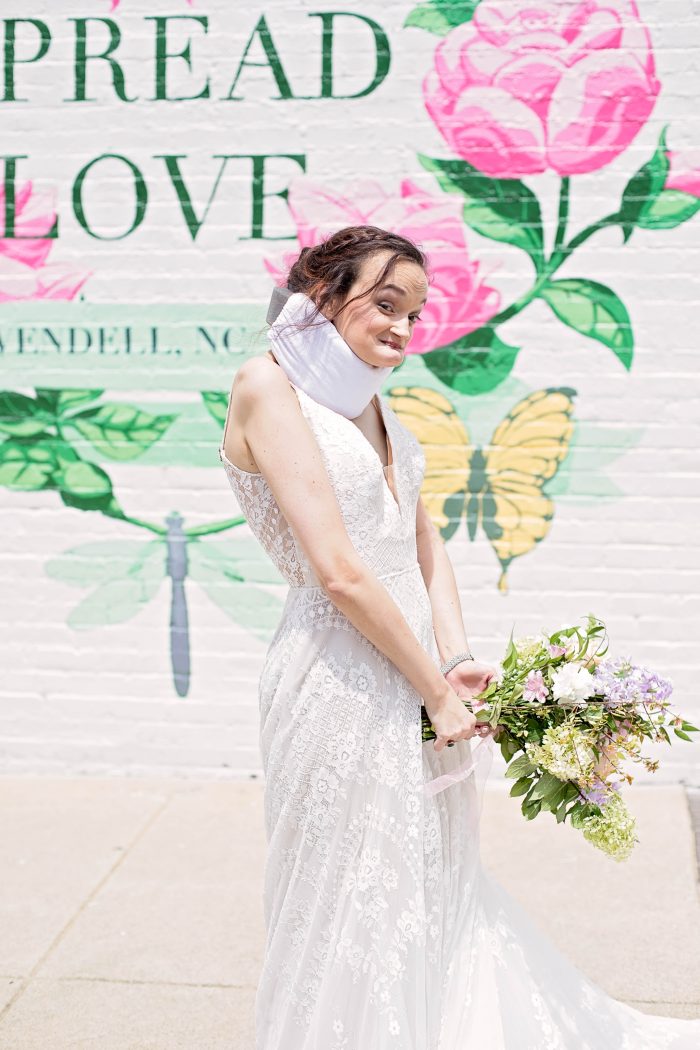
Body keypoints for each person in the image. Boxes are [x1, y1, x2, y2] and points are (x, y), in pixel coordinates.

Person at [219, 225, 700, 1048]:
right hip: (336, 673)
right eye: (385, 305)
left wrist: (456, 658)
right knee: (346, 885)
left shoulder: (367, 396)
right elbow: (336, 570)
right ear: (324, 294)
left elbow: (421, 538)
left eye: (415, 312)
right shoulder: (268, 388)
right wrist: (434, 690)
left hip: (414, 671)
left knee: (431, 874)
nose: (403, 329)